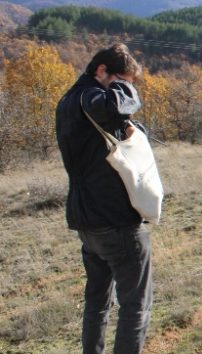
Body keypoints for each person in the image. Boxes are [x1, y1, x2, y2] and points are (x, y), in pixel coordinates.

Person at [56, 43, 152, 354]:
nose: (128, 88)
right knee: (135, 306)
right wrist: (124, 89)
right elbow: (116, 108)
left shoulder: (68, 101)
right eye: (123, 80)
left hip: (87, 220)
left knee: (97, 303)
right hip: (116, 220)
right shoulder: (94, 98)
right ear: (101, 71)